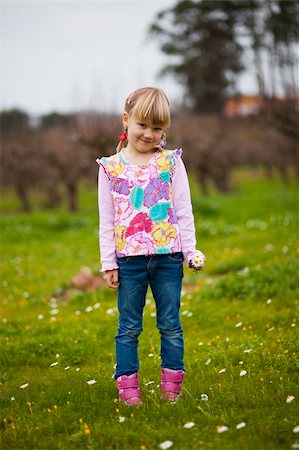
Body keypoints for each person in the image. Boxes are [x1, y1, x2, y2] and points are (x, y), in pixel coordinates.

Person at [96, 87, 205, 406]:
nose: (149, 134)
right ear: (127, 120)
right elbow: (107, 220)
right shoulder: (110, 168)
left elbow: (183, 208)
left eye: (158, 128)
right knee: (128, 327)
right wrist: (108, 263)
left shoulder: (171, 162)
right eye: (143, 125)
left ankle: (172, 389)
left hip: (168, 259)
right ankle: (128, 392)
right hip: (128, 261)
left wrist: (190, 251)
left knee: (170, 324)